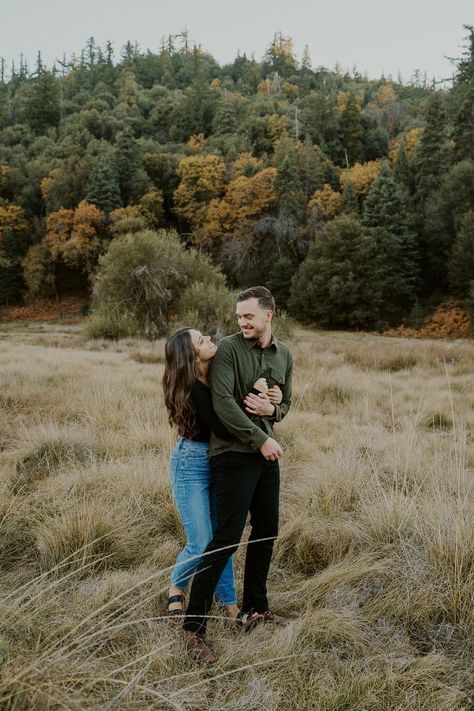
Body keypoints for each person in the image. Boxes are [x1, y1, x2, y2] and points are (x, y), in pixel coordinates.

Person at [183, 286, 293, 664]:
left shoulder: (285, 355)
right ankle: (193, 629)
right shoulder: (228, 349)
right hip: (233, 455)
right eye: (239, 316)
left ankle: (254, 610)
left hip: (266, 454)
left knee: (267, 530)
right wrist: (260, 437)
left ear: (268, 315)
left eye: (248, 316)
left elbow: (286, 402)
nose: (242, 322)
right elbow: (224, 404)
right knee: (226, 539)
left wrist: (274, 409)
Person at [162, 327, 282, 622]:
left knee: (223, 538)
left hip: (221, 460)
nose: (209, 340)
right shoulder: (191, 386)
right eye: (201, 340)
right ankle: (177, 584)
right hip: (191, 463)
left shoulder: (217, 370)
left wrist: (272, 397)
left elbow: (237, 401)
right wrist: (255, 395)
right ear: (190, 355)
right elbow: (224, 423)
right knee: (202, 542)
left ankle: (228, 603)